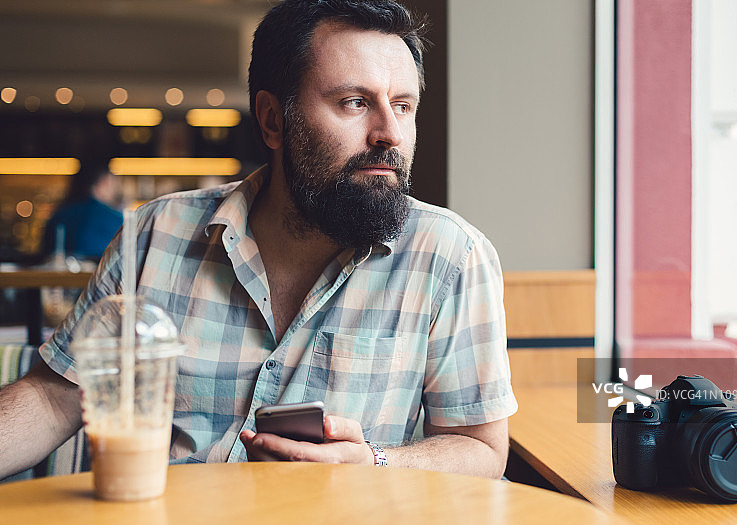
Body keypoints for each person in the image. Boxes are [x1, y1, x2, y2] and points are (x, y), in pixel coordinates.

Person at [0, 0, 516, 479]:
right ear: (273, 119)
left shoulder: (450, 255)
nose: (390, 133)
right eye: (355, 102)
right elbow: (54, 398)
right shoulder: (153, 236)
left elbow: (482, 447)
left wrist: (373, 463)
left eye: (403, 106)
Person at [42, 161, 124, 261]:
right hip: (101, 275)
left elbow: (44, 255)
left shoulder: (58, 216)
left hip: (58, 275)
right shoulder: (116, 219)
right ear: (104, 182)